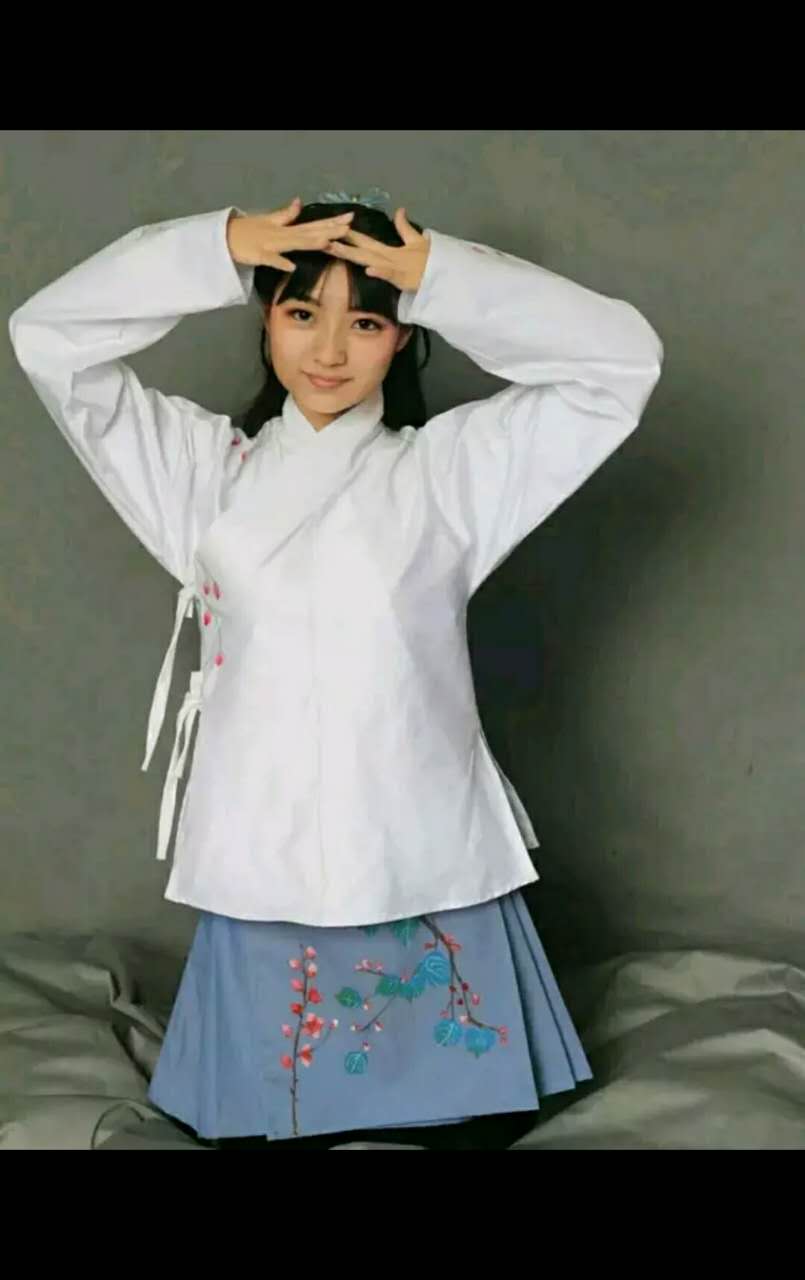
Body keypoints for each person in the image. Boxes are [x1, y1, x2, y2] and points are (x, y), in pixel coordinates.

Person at [8, 189, 663, 1149]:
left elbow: (621, 362)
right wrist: (221, 247)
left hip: (418, 819)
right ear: (264, 319)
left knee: (462, 1114)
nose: (328, 351)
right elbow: (48, 336)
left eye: (366, 321)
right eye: (300, 312)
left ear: (403, 339)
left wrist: (441, 275)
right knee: (261, 1108)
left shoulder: (449, 472)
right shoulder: (203, 472)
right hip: (261, 820)